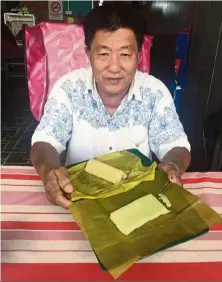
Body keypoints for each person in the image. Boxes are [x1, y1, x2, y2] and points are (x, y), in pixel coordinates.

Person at [30, 3, 191, 209]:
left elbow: (176, 146)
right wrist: (48, 169)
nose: (114, 67)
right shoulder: (69, 88)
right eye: (103, 54)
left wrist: (173, 166)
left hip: (137, 201)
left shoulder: (154, 92)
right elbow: (45, 142)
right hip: (79, 199)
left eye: (125, 54)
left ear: (139, 55)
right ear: (88, 53)